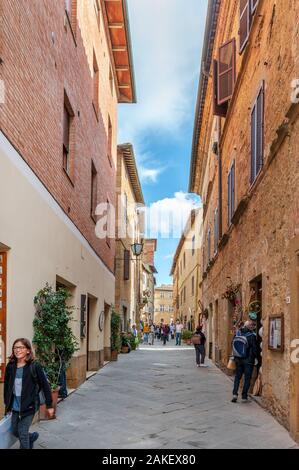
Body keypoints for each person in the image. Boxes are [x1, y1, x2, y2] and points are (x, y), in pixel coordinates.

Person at [4, 338, 55, 449]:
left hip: (30, 404)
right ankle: (31, 437)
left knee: (22, 431)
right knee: (14, 430)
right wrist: (7, 404)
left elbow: (45, 386)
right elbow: (7, 387)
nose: (18, 350)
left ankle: (26, 441)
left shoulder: (34, 366)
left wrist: (49, 405)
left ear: (28, 350)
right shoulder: (10, 366)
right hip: (15, 405)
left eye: (21, 347)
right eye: (15, 347)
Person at [231, 320, 258, 403]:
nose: (253, 327)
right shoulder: (252, 335)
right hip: (248, 361)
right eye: (252, 325)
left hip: (238, 359)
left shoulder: (238, 333)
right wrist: (256, 358)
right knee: (247, 378)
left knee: (237, 377)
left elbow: (232, 343)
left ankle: (235, 394)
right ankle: (244, 396)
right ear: (250, 326)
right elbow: (254, 349)